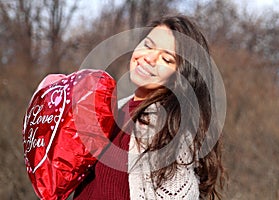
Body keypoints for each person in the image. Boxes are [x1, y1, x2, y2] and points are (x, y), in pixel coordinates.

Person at [74, 14, 226, 200]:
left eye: (166, 59)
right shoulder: (112, 110)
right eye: (148, 45)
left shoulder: (168, 129)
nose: (149, 58)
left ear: (180, 75)